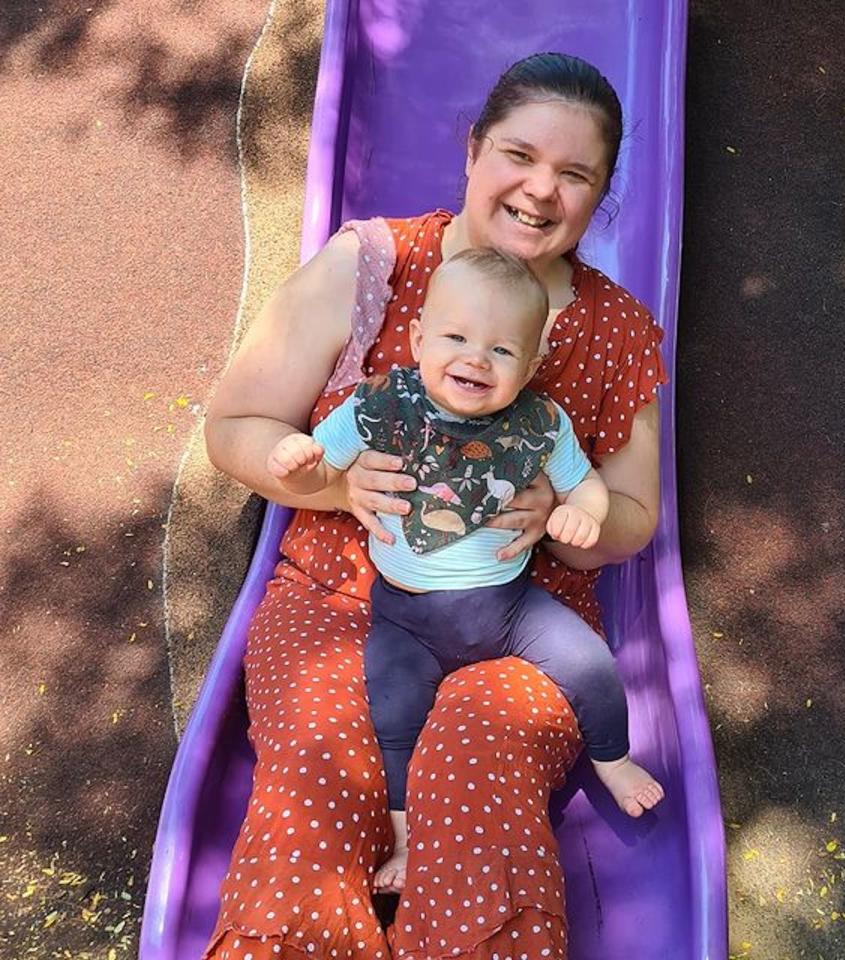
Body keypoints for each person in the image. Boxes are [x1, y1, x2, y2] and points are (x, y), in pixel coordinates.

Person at [203, 51, 667, 960]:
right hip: (344, 596)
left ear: (602, 194)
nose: (540, 191)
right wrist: (335, 482)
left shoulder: (615, 330)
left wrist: (569, 518)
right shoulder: (374, 264)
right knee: (324, 755)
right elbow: (237, 425)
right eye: (519, 155)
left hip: (518, 615)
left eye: (575, 175)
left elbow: (633, 518)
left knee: (478, 766)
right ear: (472, 152)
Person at [266, 246, 664, 894]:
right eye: (455, 337)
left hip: (510, 611)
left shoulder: (539, 423)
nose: (476, 357)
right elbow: (325, 469)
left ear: (532, 365)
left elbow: (587, 487)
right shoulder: (383, 406)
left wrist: (581, 514)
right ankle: (403, 840)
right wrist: (299, 456)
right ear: (419, 339)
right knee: (392, 716)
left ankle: (613, 759)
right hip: (407, 618)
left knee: (591, 663)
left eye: (502, 351)